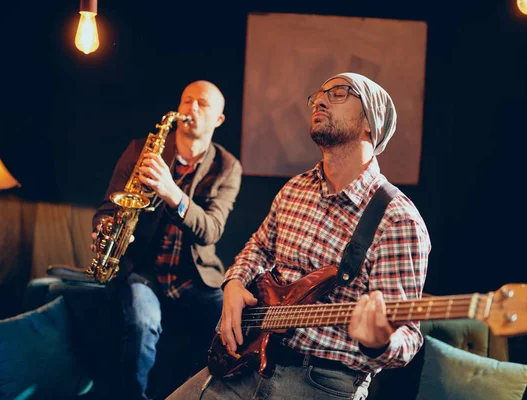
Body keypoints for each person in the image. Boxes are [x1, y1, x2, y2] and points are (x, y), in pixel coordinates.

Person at [167, 72, 431, 400]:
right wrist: (234, 283)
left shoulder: (397, 219)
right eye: (318, 95)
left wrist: (380, 341)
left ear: (370, 122)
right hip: (248, 361)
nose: (319, 100)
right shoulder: (295, 188)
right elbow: (260, 248)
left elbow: (407, 338)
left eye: (338, 93)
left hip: (321, 381)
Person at [91, 80, 242, 400]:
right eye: (187, 101)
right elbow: (108, 207)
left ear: (218, 120)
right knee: (142, 324)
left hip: (195, 277)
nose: (192, 109)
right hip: (143, 272)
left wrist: (172, 193)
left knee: (232, 331)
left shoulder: (228, 167)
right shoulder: (140, 151)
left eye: (202, 103)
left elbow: (212, 229)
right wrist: (105, 229)